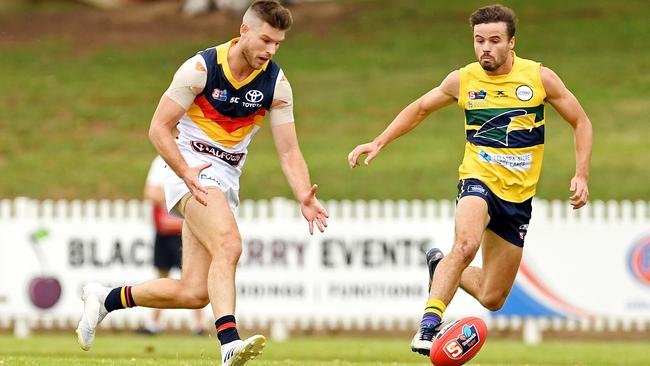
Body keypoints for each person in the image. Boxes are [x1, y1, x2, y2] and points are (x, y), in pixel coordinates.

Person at [76, 1, 329, 365]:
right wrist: (183, 170)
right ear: (244, 31)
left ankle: (106, 298)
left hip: (224, 179)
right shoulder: (201, 68)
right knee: (229, 244)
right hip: (191, 170)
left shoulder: (277, 83)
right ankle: (229, 344)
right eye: (265, 40)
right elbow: (158, 128)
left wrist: (303, 195)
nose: (271, 50)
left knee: (194, 293)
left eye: (278, 43)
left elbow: (289, 152)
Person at [347, 4, 592, 357]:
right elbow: (419, 109)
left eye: (494, 40)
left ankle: (439, 267)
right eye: (479, 40)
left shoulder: (539, 78)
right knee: (464, 245)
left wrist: (581, 173)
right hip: (477, 179)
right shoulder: (463, 80)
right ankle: (428, 328)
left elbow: (581, 121)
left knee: (493, 297)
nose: (485, 48)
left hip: (518, 199)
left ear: (512, 43)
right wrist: (379, 141)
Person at [141, 155, 206, 336]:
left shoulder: (196, 158)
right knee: (162, 273)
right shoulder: (160, 161)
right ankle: (152, 323)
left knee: (192, 276)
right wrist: (178, 194)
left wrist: (170, 194)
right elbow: (150, 193)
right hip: (164, 230)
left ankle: (199, 325)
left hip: (186, 229)